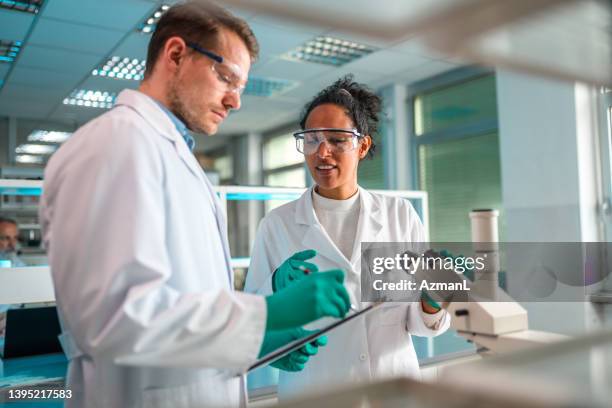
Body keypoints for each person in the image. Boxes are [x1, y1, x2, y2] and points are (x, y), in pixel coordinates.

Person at [39, 3, 350, 407]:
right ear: (175, 55)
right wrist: (265, 316)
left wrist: (257, 343)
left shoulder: (171, 156)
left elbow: (183, 307)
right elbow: (116, 320)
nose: (235, 101)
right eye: (227, 78)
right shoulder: (116, 145)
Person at [245, 75, 451, 399]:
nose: (321, 152)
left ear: (362, 145)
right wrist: (273, 286)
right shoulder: (277, 224)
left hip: (391, 389)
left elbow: (418, 323)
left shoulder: (400, 216)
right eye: (311, 140)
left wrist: (432, 301)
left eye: (337, 140)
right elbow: (252, 315)